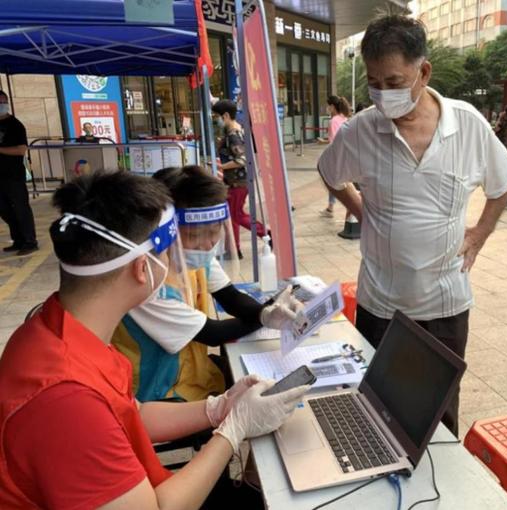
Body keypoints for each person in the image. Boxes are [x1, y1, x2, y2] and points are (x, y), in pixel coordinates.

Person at [0, 170, 308, 508]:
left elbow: (134, 415)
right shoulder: (65, 400)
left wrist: (220, 408)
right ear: (142, 269)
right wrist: (233, 430)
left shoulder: (66, 332)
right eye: (166, 252)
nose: (174, 263)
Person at [317, 15, 507, 436]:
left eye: (393, 82)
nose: (382, 95)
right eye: (374, 83)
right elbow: (331, 173)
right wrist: (360, 209)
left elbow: (503, 183)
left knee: (438, 417)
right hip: (380, 304)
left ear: (423, 71)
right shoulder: (360, 130)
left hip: (444, 306)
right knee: (375, 411)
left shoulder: (467, 125)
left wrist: (479, 234)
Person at [112, 165, 306, 402]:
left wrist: (272, 308)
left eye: (214, 232)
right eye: (194, 235)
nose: (206, 245)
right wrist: (264, 317)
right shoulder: (148, 282)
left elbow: (231, 298)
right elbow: (212, 333)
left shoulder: (192, 256)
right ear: (165, 229)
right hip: (155, 392)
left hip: (191, 374)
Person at [212, 99, 266, 260]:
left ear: (226, 115)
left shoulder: (233, 134)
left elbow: (241, 159)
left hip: (238, 182)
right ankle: (234, 249)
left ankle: (267, 234)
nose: (215, 120)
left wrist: (221, 167)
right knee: (233, 214)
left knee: (237, 215)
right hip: (235, 181)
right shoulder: (236, 130)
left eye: (217, 116)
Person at [0, 90, 37, 255]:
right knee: (4, 209)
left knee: (20, 208)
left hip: (13, 176)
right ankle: (18, 239)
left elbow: (21, 150)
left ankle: (30, 241)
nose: (2, 105)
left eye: (3, 102)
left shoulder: (15, 125)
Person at [319, 95, 351, 218]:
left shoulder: (333, 121)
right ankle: (332, 207)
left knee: (334, 182)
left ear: (332, 106)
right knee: (340, 182)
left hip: (337, 157)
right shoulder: (344, 119)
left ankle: (335, 207)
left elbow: (334, 142)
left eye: (328, 106)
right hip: (348, 155)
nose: (327, 108)